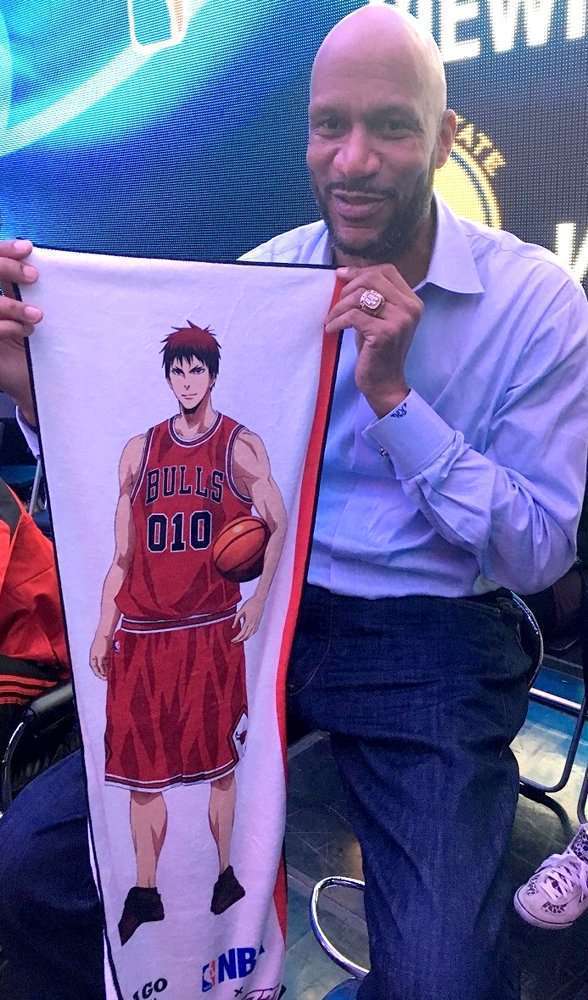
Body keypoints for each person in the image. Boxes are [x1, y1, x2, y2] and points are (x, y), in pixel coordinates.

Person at [0, 5, 586, 1000]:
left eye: (391, 126)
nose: (352, 160)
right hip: (257, 611)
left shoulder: (534, 304)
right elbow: (155, 465)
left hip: (430, 631)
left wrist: (394, 400)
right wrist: (32, 386)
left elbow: (538, 555)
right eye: (329, 126)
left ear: (444, 138)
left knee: (444, 980)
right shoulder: (264, 281)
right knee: (35, 867)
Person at [89, 323, 286, 943]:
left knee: (220, 766)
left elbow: (276, 521)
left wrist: (258, 600)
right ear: (168, 377)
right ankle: (145, 891)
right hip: (145, 634)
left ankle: (225, 874)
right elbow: (121, 557)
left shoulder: (238, 446)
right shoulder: (139, 451)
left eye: (196, 370)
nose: (186, 381)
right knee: (140, 776)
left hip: (207, 631)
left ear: (213, 374)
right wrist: (103, 627)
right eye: (177, 371)